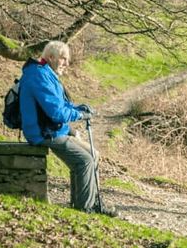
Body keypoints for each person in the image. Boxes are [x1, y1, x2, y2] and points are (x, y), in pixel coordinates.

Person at [19, 40, 116, 217]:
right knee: (84, 161)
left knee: (93, 154)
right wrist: (79, 116)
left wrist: (78, 108)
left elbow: (60, 105)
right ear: (51, 57)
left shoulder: (45, 73)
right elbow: (56, 113)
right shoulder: (38, 76)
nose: (67, 64)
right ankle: (84, 208)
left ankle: (90, 202)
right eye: (63, 59)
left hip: (54, 129)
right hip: (43, 132)